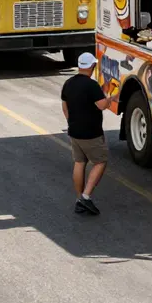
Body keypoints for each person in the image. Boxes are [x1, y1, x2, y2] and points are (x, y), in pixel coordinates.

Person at [60, 53, 117, 216]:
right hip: (91, 133)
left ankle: (79, 199)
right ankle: (86, 196)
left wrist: (72, 122)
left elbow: (65, 107)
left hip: (74, 131)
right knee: (100, 161)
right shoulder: (92, 85)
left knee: (79, 162)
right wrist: (112, 98)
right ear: (92, 67)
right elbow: (101, 105)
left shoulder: (68, 83)